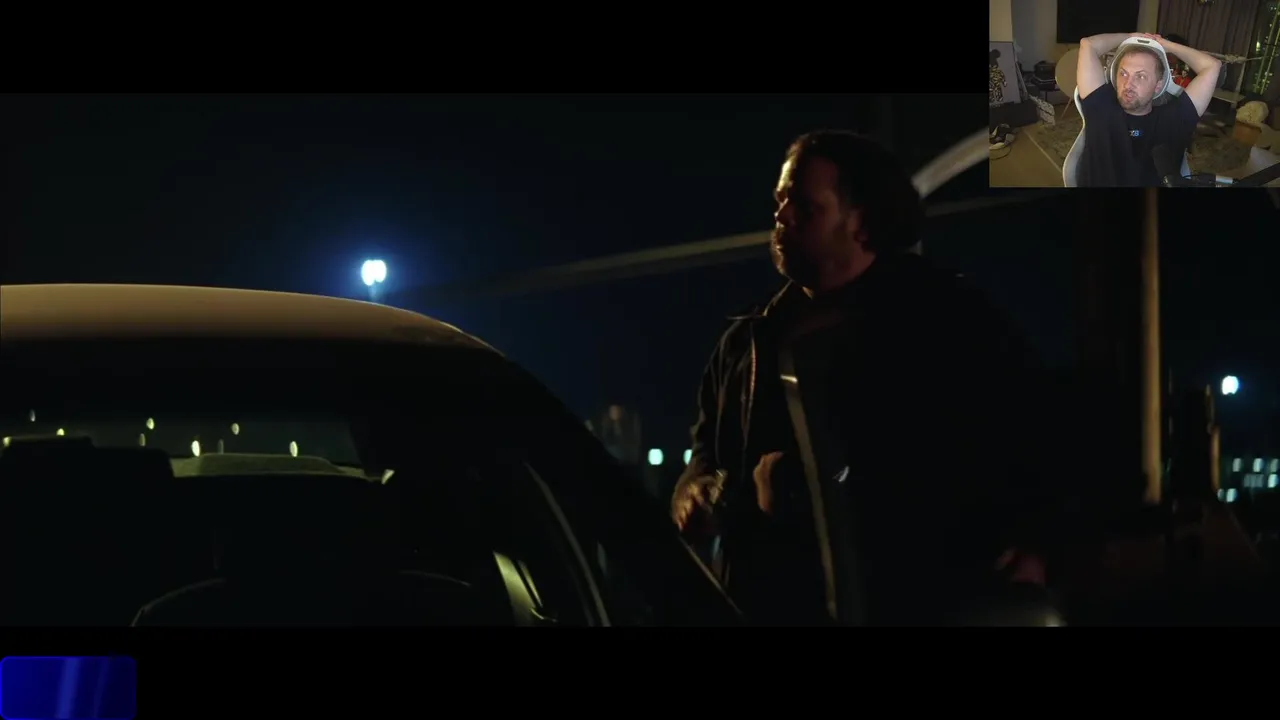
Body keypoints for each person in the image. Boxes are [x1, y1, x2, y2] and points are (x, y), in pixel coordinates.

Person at [671, 130, 1052, 625]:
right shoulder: (747, 343)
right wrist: (697, 492)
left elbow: (1029, 442)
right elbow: (705, 453)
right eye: (780, 201)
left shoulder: (949, 323)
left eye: (804, 207)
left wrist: (811, 484)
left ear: (863, 221)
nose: (782, 217)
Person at [1075, 32, 1222, 187]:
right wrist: (1131, 36)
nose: (1128, 84)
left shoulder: (1174, 119)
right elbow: (1088, 44)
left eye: (1141, 76)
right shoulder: (1100, 106)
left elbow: (1212, 66)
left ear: (1158, 85)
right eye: (1123, 73)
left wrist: (1165, 45)